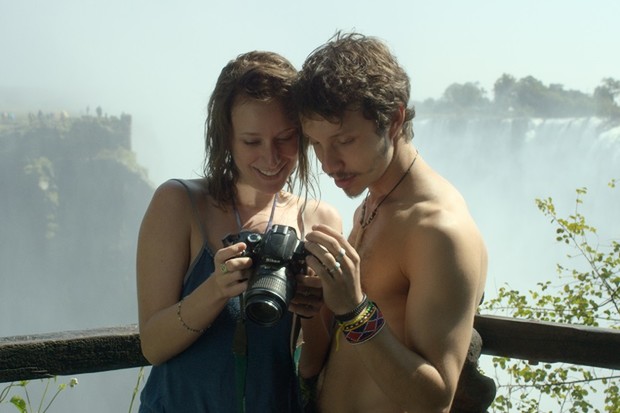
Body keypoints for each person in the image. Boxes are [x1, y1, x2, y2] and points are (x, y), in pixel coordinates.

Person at [136, 50, 342, 413]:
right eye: (252, 141)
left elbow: (311, 367)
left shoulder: (319, 222)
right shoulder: (179, 204)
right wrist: (216, 289)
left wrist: (310, 316)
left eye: (286, 138)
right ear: (225, 138)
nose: (271, 156)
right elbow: (154, 345)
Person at [293, 32, 489, 413]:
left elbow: (435, 400)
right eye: (315, 143)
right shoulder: (373, 202)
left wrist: (354, 311)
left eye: (344, 140)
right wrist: (314, 304)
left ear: (394, 119)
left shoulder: (438, 230)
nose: (327, 163)